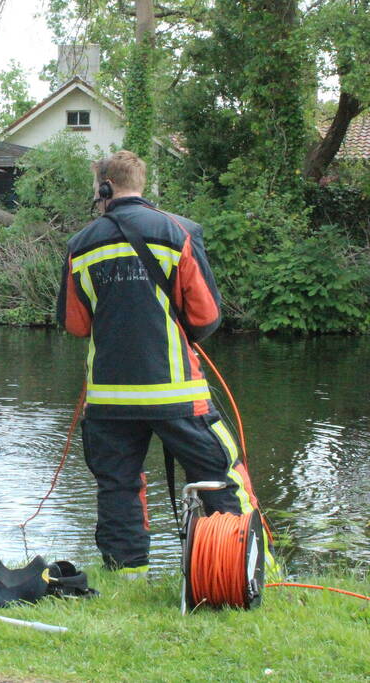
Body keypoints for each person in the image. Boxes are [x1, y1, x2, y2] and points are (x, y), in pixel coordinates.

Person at [57, 150, 273, 577]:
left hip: (109, 399)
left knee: (118, 486)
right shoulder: (179, 231)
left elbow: (75, 324)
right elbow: (207, 316)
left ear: (103, 188)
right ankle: (244, 570)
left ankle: (127, 575)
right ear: (141, 183)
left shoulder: (80, 245)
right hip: (179, 395)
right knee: (220, 479)